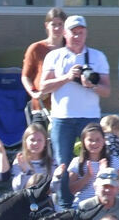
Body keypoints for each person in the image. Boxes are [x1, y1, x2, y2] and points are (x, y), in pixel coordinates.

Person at [39, 15, 111, 166]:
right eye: (74, 32)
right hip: (62, 118)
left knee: (93, 161)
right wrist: (67, 77)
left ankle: (90, 183)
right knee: (62, 164)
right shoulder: (54, 56)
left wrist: (92, 85)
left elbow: (107, 91)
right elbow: (43, 87)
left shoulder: (97, 57)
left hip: (89, 117)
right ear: (65, 33)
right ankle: (64, 183)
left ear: (86, 33)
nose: (78, 37)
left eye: (81, 32)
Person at [20, 7, 66, 119]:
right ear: (46, 25)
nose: (57, 28)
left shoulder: (71, 49)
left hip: (65, 107)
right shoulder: (36, 48)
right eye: (53, 24)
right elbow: (25, 76)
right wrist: (34, 92)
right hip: (41, 107)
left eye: (60, 24)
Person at [64, 122, 119, 207]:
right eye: (90, 140)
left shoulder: (113, 161)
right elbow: (71, 189)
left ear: (104, 140)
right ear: (83, 142)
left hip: (106, 205)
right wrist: (87, 176)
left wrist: (105, 174)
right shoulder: (77, 162)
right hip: (83, 205)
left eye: (98, 140)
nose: (94, 143)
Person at [11, 123, 56, 191]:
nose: (35, 143)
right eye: (32, 140)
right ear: (25, 142)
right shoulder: (20, 160)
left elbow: (54, 189)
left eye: (39, 140)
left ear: (45, 143)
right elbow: (17, 188)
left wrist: (58, 177)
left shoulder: (52, 162)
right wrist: (25, 172)